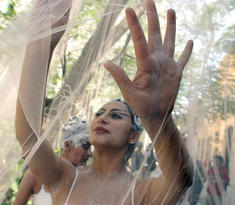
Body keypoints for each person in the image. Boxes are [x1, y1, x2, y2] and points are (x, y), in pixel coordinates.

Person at [15, 0, 194, 204]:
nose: (103, 118)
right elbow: (28, 135)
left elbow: (181, 178)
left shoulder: (143, 191)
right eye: (99, 114)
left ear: (133, 135)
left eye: (116, 115)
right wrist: (42, 43)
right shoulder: (64, 177)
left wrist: (157, 119)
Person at [13, 117, 92, 205]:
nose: (90, 153)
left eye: (91, 147)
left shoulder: (85, 182)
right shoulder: (35, 175)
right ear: (67, 145)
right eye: (85, 146)